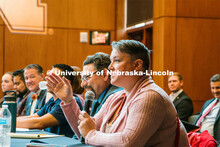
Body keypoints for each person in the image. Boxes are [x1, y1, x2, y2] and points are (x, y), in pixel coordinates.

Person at [47, 40, 189, 146]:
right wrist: (68, 100)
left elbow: (128, 142)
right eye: (110, 61)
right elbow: (84, 133)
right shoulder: (117, 97)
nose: (110, 67)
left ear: (137, 65)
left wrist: (90, 134)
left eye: (116, 60)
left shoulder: (150, 96)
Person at [17, 64, 83, 137]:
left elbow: (40, 123)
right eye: (48, 77)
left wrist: (10, 122)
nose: (47, 80)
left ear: (66, 82)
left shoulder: (70, 101)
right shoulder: (52, 100)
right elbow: (34, 116)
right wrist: (9, 120)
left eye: (52, 78)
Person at [194, 74, 220, 144]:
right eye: (212, 88)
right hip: (197, 139)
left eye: (218, 88)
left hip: (213, 142)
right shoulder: (208, 103)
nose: (215, 91)